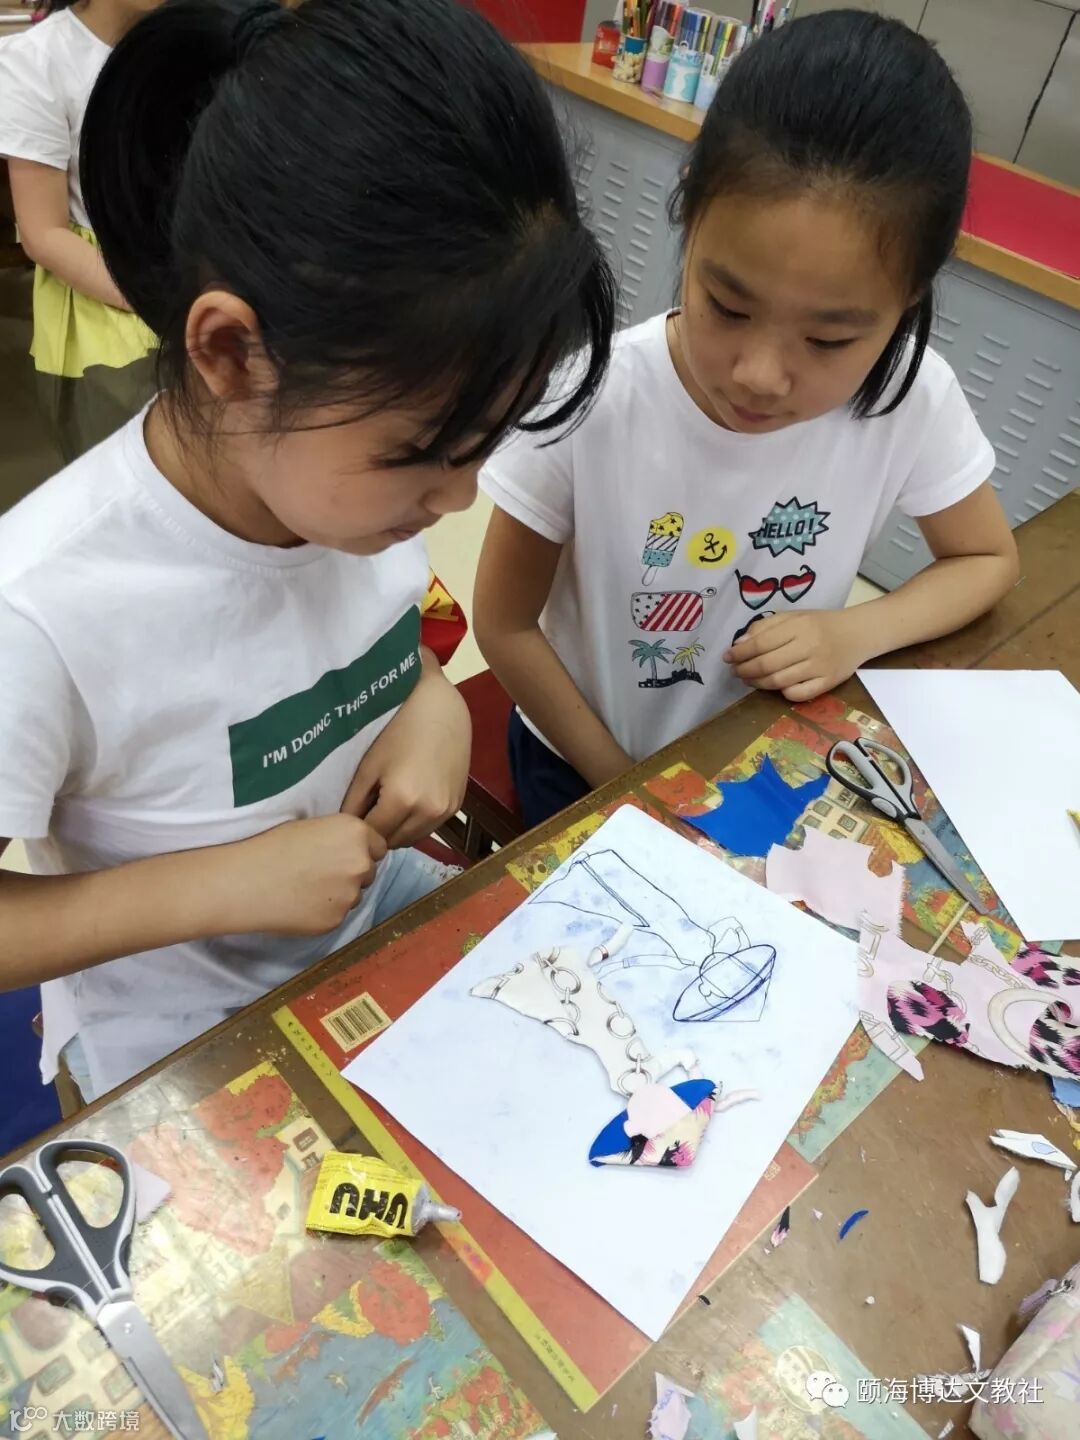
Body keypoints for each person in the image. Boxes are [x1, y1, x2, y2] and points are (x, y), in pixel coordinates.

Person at [0, 0, 614, 1101]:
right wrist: (222, 886)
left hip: (362, 929)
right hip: (170, 1027)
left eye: (486, 444)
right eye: (425, 454)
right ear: (233, 354)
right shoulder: (40, 607)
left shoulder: (346, 503)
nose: (460, 496)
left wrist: (428, 704)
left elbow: (358, 651)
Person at [475, 9, 1020, 829]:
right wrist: (626, 786)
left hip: (764, 754)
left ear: (910, 297)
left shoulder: (910, 395)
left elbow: (986, 558)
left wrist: (856, 632)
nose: (760, 376)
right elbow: (505, 623)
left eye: (828, 339)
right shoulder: (594, 398)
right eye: (727, 306)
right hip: (585, 761)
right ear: (688, 217)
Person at [0, 0, 160, 463]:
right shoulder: (39, 60)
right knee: (132, 459)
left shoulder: (199, 34)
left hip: (204, 268)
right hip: (108, 286)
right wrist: (156, 298)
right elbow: (45, 234)